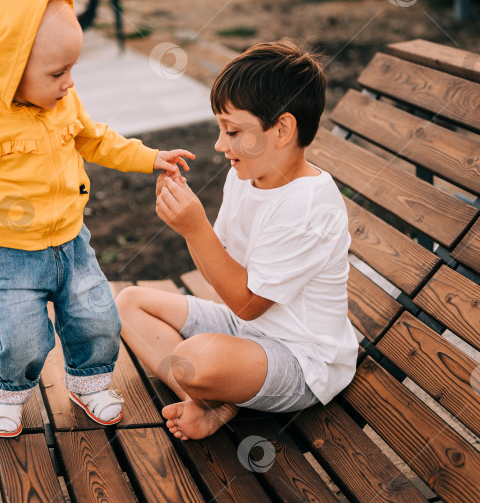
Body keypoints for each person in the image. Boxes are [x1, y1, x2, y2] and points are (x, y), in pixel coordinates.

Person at [0, 0, 193, 438]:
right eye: (57, 72)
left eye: (72, 68)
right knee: (24, 337)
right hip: (10, 257)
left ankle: (88, 383)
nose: (69, 81)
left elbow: (96, 140)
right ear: (10, 68)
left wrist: (149, 157)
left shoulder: (63, 101)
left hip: (72, 244)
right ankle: (10, 392)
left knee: (96, 319)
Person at [117, 39, 358, 441]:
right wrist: (191, 224)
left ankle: (215, 391)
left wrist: (195, 228)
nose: (219, 144)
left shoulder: (310, 205)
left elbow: (248, 304)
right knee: (127, 303)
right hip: (244, 333)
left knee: (196, 358)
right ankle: (212, 401)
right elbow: (221, 271)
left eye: (232, 131)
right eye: (220, 129)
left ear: (281, 129)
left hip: (301, 359)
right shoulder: (245, 176)